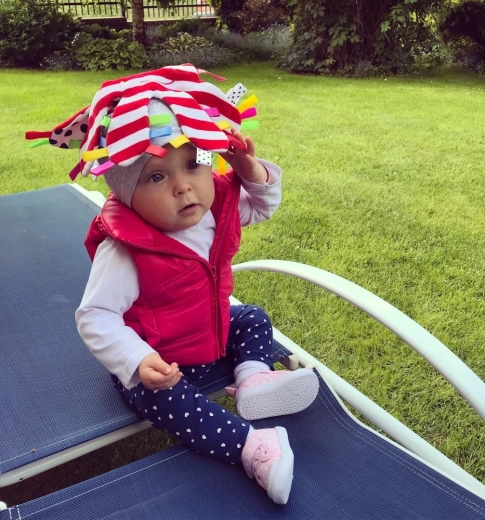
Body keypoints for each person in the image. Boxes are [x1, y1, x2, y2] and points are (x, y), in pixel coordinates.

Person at [30, 65, 319, 505]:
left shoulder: (213, 208)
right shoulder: (126, 248)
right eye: (156, 176)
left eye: (192, 164)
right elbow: (95, 316)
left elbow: (261, 207)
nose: (184, 187)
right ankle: (251, 445)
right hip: (162, 362)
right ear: (128, 194)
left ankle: (254, 380)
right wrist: (138, 359)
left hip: (211, 331)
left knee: (253, 317)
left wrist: (249, 169)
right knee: (157, 397)